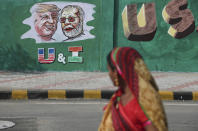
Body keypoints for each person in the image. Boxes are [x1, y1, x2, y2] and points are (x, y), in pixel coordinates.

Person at [98, 47, 168, 131]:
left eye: (109, 70)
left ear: (116, 71)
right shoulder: (118, 97)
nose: (109, 74)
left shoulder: (145, 101)